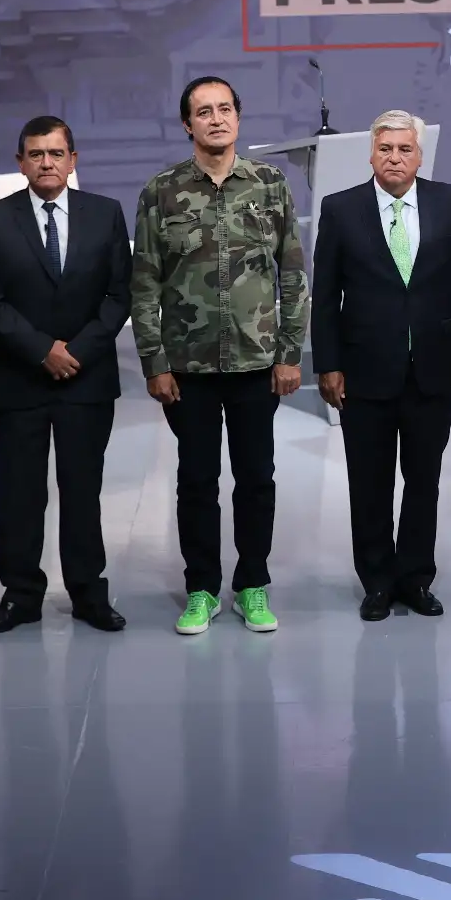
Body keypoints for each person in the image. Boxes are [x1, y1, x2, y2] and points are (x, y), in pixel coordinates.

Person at [132, 77, 305, 636]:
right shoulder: (161, 191)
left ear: (238, 117)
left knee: (257, 478)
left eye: (225, 109)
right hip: (190, 368)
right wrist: (155, 363)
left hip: (258, 362)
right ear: (187, 124)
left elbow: (294, 274)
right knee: (196, 481)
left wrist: (289, 352)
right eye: (203, 112)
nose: (216, 119)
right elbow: (144, 284)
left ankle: (252, 584)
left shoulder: (270, 184)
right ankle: (201, 588)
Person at [313, 111, 451, 621]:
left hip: (431, 368)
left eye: (404, 149)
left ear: (419, 154)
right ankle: (377, 581)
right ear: (371, 153)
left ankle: (414, 578)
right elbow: (325, 297)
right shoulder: (341, 209)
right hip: (364, 372)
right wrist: (328, 363)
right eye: (385, 148)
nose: (394, 157)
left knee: (423, 480)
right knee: (369, 482)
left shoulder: (447, 201)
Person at [0, 116, 133, 634]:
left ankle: (88, 594)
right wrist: (43, 351)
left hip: (86, 379)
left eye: (56, 153)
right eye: (36, 154)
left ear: (73, 160)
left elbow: (119, 294)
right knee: (21, 492)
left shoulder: (105, 214)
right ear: (20, 163)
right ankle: (20, 596)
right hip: (21, 379)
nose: (46, 163)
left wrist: (75, 351)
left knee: (82, 489)